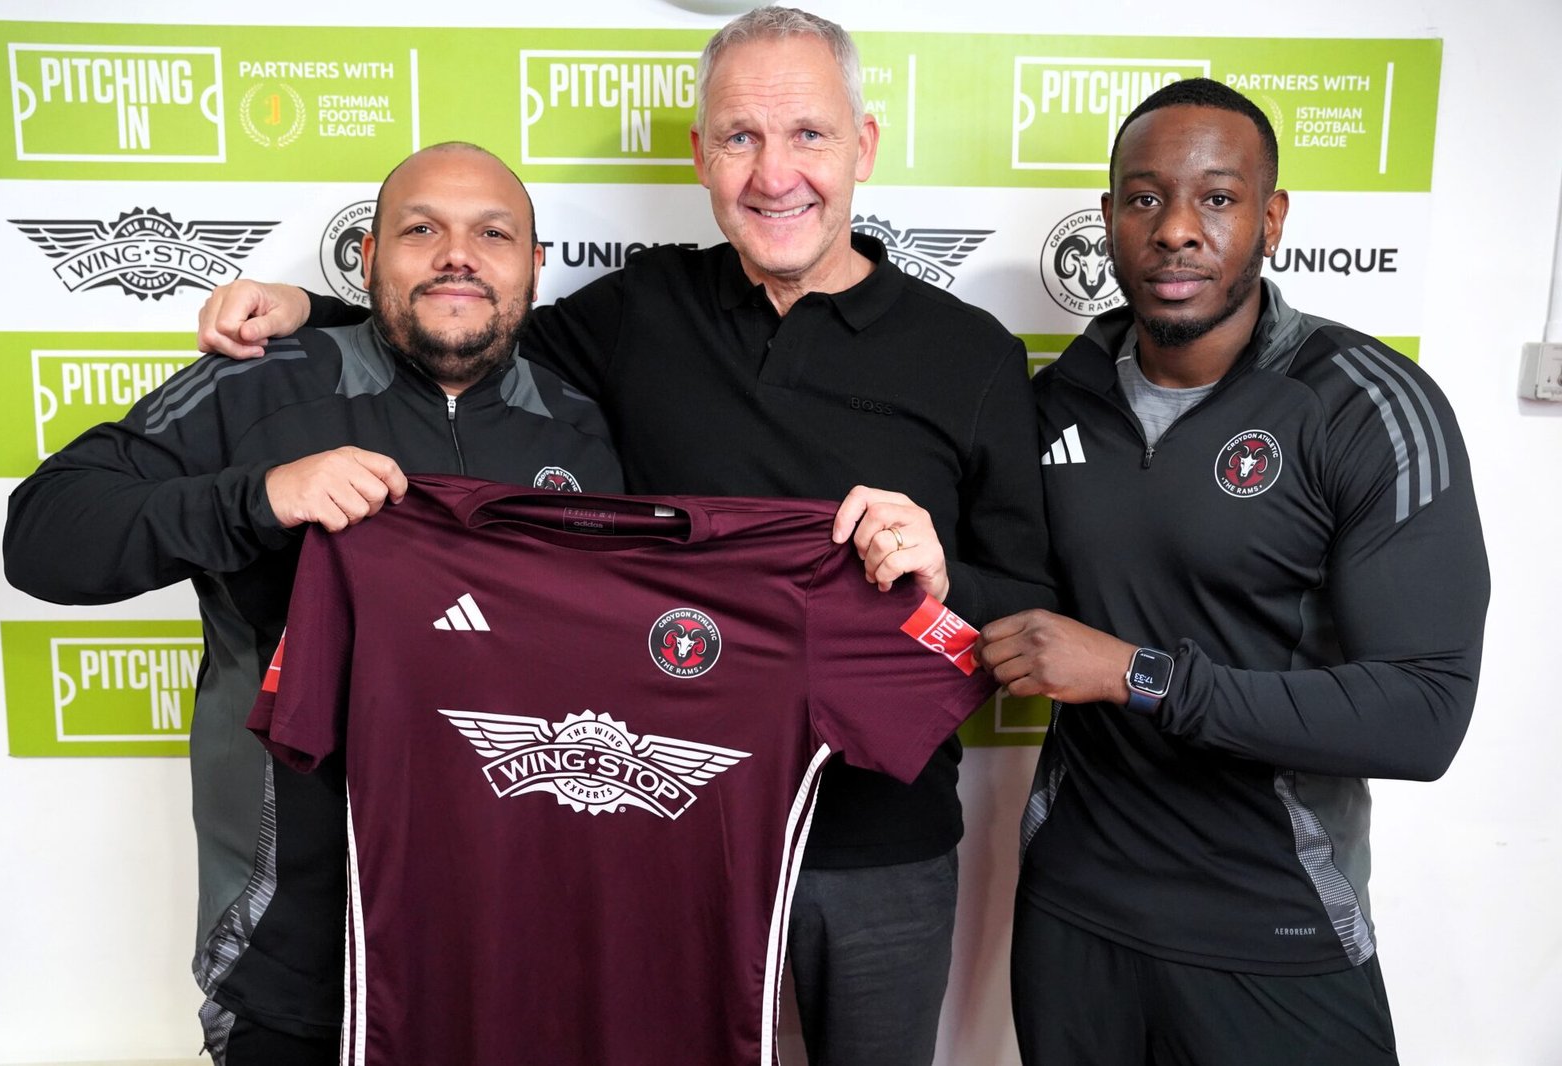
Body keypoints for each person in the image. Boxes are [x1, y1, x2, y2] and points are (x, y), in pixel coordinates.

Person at [196, 7, 1054, 1064]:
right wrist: (311, 305)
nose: (773, 173)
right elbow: (468, 323)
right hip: (659, 842)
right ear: (699, 156)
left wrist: (937, 574)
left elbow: (1030, 623)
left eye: (807, 136)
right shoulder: (636, 313)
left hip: (876, 857)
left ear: (863, 146)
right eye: (739, 137)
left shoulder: (971, 356)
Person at [3, 143, 622, 1064]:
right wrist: (258, 498)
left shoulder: (582, 427)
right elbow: (46, 536)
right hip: (292, 963)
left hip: (512, 957)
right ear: (368, 259)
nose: (458, 254)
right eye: (422, 230)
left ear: (535, 267)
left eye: (493, 233)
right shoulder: (260, 384)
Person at [975, 78, 1489, 1066]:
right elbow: (979, 587)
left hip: (1271, 924)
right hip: (1074, 916)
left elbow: (1421, 716)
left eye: (1215, 197)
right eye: (1142, 198)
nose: (1175, 229)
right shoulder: (1053, 400)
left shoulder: (1362, 404)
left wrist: (1138, 673)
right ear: (1110, 219)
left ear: (1271, 217)